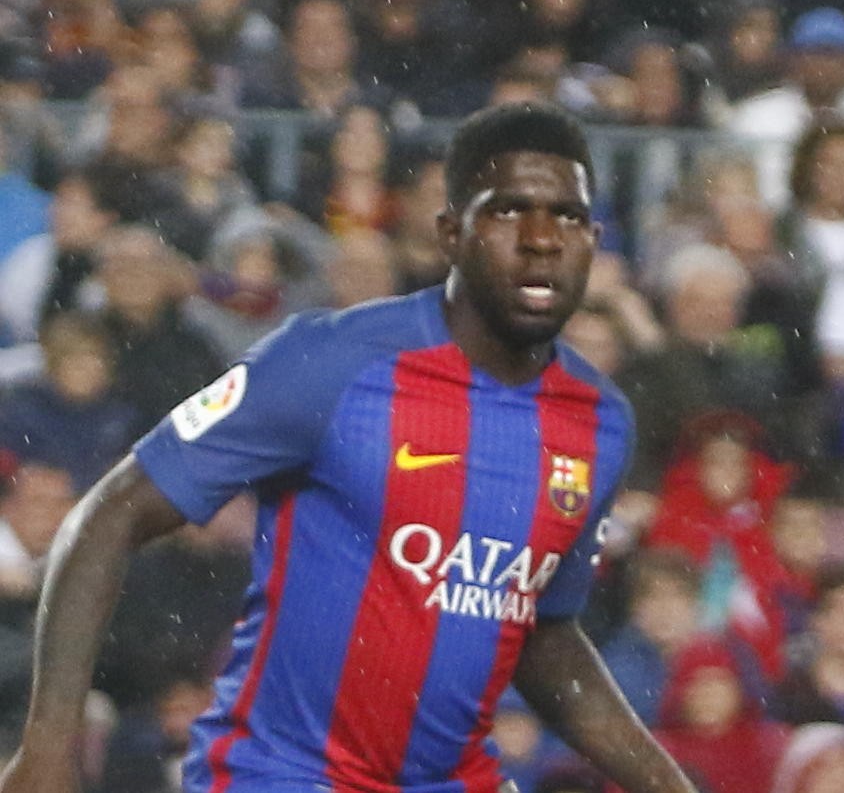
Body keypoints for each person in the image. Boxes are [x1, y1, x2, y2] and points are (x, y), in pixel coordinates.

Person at [0, 102, 692, 793]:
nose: (543, 239)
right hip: (281, 777)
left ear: (594, 240)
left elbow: (541, 632)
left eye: (568, 217)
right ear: (452, 233)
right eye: (509, 210)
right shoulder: (331, 361)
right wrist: (49, 748)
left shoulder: (599, 422)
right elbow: (110, 515)